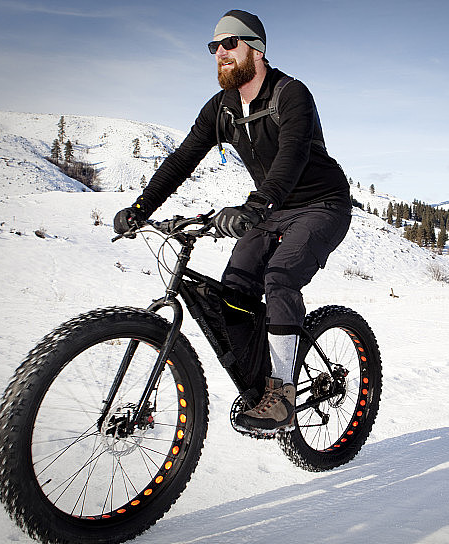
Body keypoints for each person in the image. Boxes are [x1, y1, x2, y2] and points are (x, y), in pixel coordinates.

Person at [113, 10, 352, 432]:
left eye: (230, 43)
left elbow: (292, 156)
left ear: (256, 49)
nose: (219, 53)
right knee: (235, 289)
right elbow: (182, 159)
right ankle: (259, 378)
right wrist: (140, 209)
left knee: (280, 277)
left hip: (322, 204)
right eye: (214, 46)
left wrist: (255, 206)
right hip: (272, 208)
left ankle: (282, 394)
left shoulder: (291, 93)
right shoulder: (221, 108)